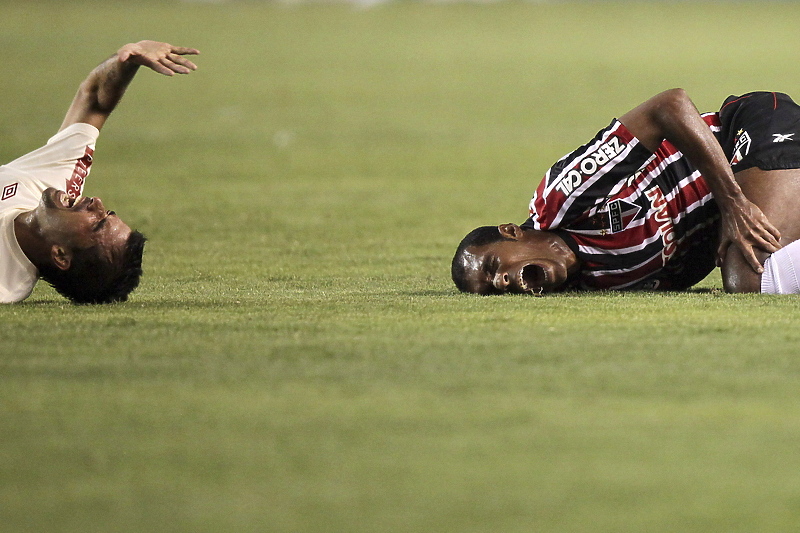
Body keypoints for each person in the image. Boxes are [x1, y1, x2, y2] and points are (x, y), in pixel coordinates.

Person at [452, 88, 800, 295]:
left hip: (747, 131)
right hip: (753, 188)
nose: (503, 281)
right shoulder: (597, 283)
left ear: (511, 232)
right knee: (744, 272)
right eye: (494, 289)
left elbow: (670, 105)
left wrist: (733, 204)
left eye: (494, 265)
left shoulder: (560, 200)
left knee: (748, 277)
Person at [0, 40, 199, 304]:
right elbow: (94, 100)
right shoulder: (60, 183)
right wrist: (125, 63)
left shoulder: (4, 283)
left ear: (60, 255)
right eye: (108, 213)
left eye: (98, 223)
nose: (97, 202)